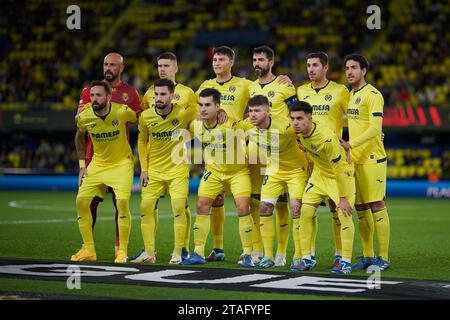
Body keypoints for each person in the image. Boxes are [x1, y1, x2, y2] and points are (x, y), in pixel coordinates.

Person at [131, 52, 195, 262]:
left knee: (181, 206)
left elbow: (197, 121)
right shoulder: (150, 94)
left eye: (166, 65)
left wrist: (184, 136)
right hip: (155, 162)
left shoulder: (187, 94)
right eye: (159, 66)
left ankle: (182, 249)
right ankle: (149, 251)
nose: (162, 69)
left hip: (177, 163)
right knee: (148, 207)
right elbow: (145, 126)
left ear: (176, 68)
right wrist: (144, 167)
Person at [181, 88, 254, 268]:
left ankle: (248, 254)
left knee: (243, 206)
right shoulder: (195, 125)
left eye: (208, 105)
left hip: (237, 171)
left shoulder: (231, 124)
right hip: (213, 171)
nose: (203, 109)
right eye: (201, 105)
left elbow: (253, 123)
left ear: (218, 107)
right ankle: (198, 252)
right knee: (201, 205)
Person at [77, 52, 140, 256]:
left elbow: (139, 121)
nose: (108, 68)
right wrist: (83, 165)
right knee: (89, 202)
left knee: (119, 202)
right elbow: (80, 122)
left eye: (113, 65)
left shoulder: (131, 94)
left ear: (121, 68)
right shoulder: (89, 91)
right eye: (105, 64)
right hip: (94, 157)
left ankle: (118, 248)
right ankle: (88, 247)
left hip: (119, 156)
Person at [297, 51, 354, 269]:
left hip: (335, 157)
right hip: (312, 160)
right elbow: (292, 116)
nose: (310, 69)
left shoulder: (340, 91)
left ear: (325, 67)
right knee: (305, 210)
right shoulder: (301, 91)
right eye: (308, 65)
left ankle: (342, 256)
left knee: (338, 210)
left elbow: (356, 116)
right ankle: (307, 256)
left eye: (315, 65)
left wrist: (353, 140)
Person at [196, 46, 253, 262]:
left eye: (221, 59)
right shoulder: (205, 86)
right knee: (214, 202)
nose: (216, 63)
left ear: (231, 62)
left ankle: (249, 251)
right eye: (214, 60)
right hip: (214, 156)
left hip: (237, 153)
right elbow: (195, 110)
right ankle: (217, 249)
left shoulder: (244, 85)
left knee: (246, 205)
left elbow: (265, 101)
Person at [242, 95, 310, 269]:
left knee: (296, 209)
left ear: (268, 111)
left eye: (258, 110)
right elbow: (226, 128)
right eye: (251, 111)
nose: (253, 115)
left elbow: (310, 130)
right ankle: (268, 257)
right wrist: (218, 115)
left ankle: (299, 256)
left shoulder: (286, 126)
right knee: (264, 208)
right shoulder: (247, 126)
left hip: (296, 170)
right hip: (274, 170)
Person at [247, 45, 298, 266]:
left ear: (271, 62)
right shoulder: (249, 87)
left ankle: (281, 252)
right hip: (257, 149)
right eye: (254, 59)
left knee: (282, 203)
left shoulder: (284, 86)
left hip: (282, 150)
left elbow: (297, 114)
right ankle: (256, 250)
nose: (257, 63)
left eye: (261, 59)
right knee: (255, 200)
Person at [290, 101, 354, 274]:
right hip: (319, 175)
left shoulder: (325, 138)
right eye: (293, 118)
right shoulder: (297, 133)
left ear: (310, 118)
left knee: (344, 213)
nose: (295, 122)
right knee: (305, 213)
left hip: (339, 175)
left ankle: (345, 261)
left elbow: (339, 169)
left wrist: (342, 198)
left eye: (299, 118)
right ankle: (307, 258)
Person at [341, 54, 390, 271]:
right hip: (355, 161)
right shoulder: (351, 94)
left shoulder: (373, 95)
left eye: (354, 68)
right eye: (347, 68)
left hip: (372, 160)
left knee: (376, 205)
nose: (349, 71)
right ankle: (368, 255)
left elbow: (374, 129)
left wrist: (350, 144)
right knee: (360, 208)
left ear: (364, 71)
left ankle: (384, 257)